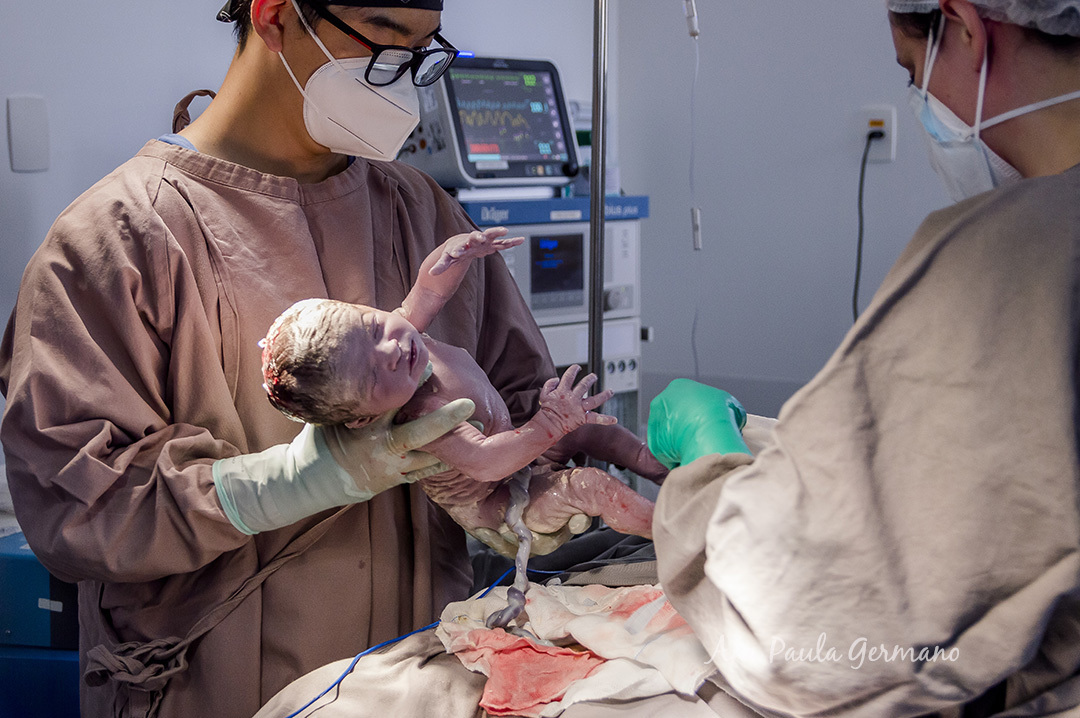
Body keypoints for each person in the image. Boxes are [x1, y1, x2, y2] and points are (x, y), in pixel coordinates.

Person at [0, 1, 590, 716]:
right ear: (275, 14)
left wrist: (540, 485)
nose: (402, 80)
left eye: (423, 52)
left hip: (422, 680)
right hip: (211, 687)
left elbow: (525, 397)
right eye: (384, 42)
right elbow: (80, 506)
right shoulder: (122, 238)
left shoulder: (419, 212)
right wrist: (288, 483)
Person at [647, 0, 1080, 715]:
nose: (924, 102)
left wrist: (706, 471)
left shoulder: (1012, 256)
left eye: (914, 70)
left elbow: (802, 638)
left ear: (967, 27)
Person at [254, 231, 664, 549]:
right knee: (589, 485)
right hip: (501, 499)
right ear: (363, 417)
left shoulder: (407, 332)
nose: (393, 349)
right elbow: (486, 465)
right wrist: (551, 422)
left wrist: (456, 252)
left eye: (374, 327)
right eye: (376, 375)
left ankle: (660, 466)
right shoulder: (422, 414)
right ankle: (673, 532)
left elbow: (430, 288)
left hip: (516, 446)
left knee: (593, 429)